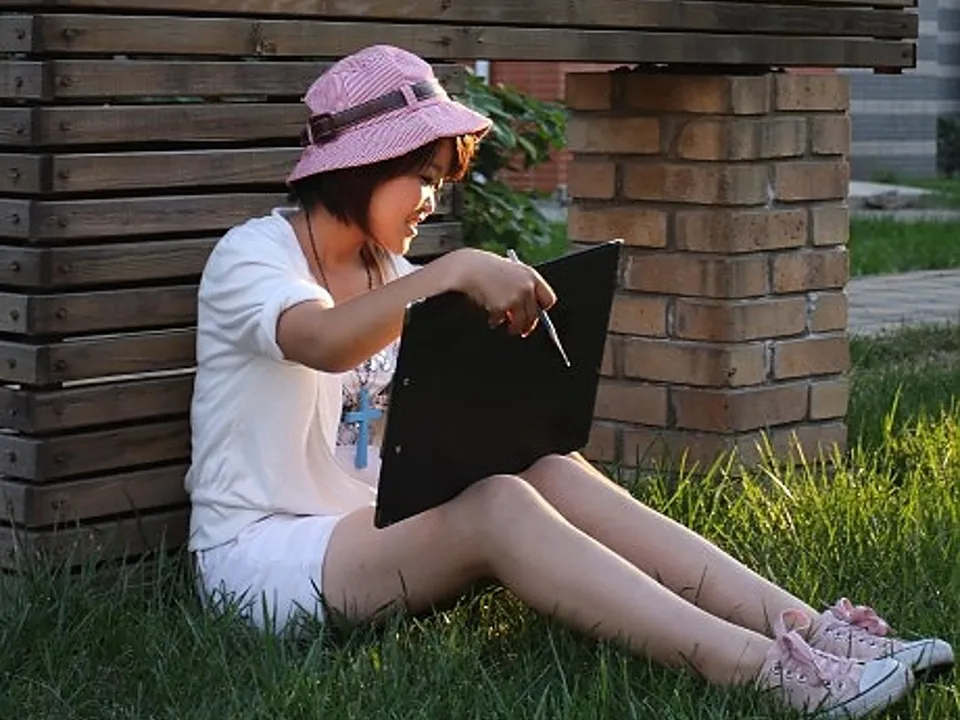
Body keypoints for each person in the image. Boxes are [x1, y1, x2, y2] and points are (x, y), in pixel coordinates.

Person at [185, 44, 952, 718]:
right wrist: (454, 272)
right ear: (360, 164)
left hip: (367, 529)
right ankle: (766, 674)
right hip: (263, 556)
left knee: (544, 465)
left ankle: (813, 631)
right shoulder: (254, 258)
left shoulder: (390, 270)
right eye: (421, 177)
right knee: (497, 504)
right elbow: (320, 342)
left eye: (440, 182)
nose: (432, 199)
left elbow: (412, 425)